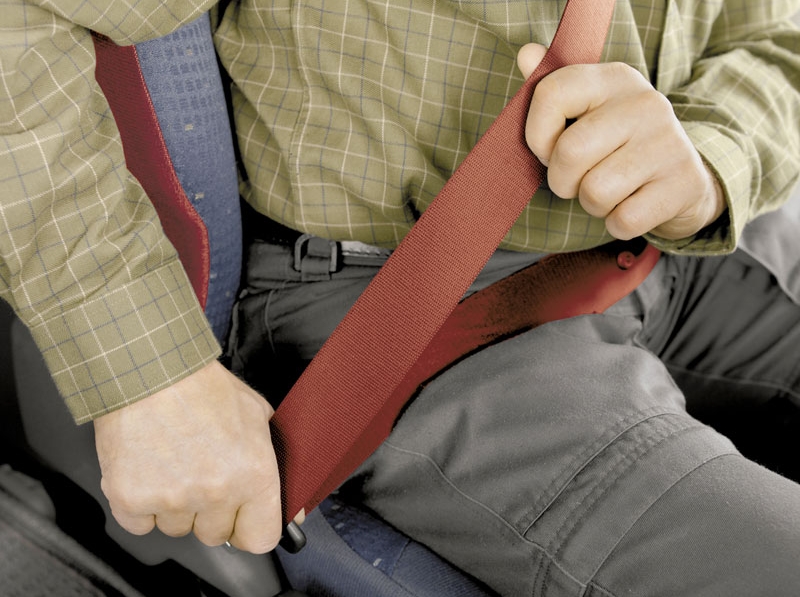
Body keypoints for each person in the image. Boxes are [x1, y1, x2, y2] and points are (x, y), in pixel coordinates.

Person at [2, 0, 800, 594]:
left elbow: (776, 37)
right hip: (405, 306)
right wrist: (144, 371)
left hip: (674, 244)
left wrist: (712, 156)